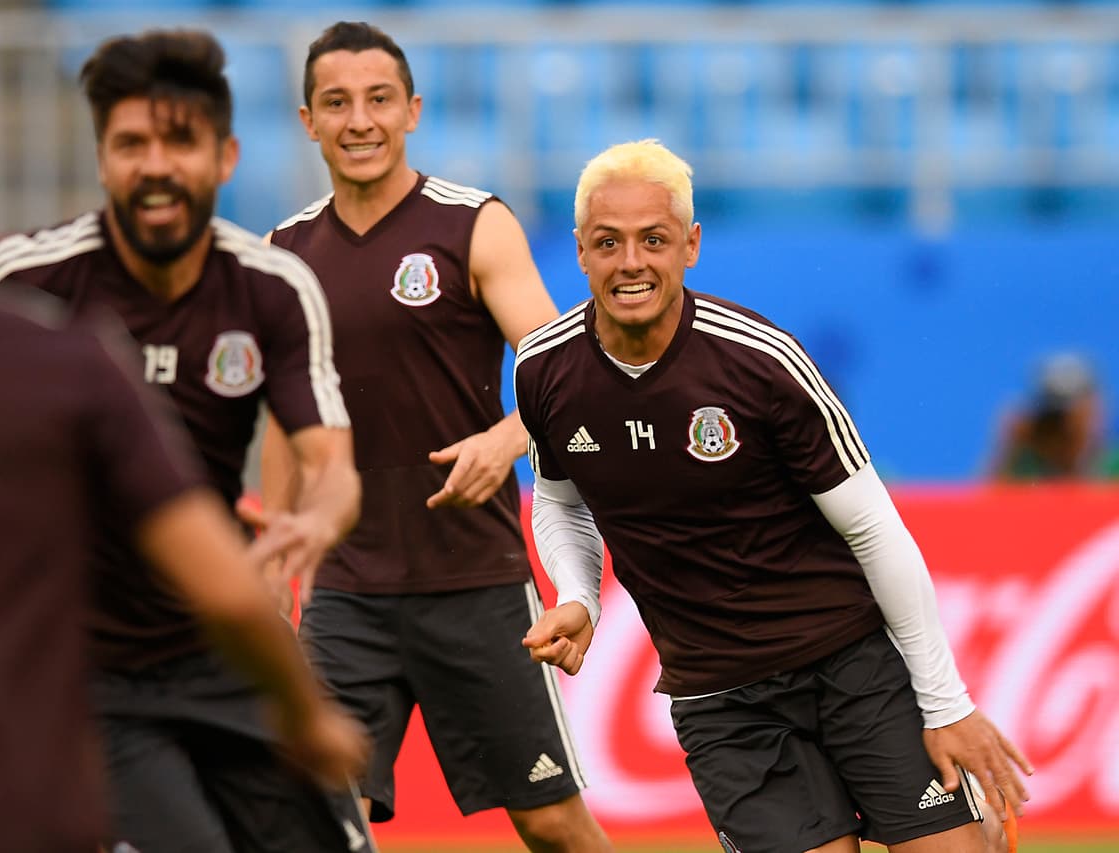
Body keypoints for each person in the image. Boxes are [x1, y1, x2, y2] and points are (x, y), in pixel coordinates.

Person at [0, 43, 364, 853]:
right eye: (131, 145)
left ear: (225, 156)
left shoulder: (272, 286)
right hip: (88, 675)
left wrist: (319, 521)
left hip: (218, 658)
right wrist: (311, 714)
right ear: (98, 160)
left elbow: (332, 463)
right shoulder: (29, 300)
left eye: (179, 142)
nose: (156, 167)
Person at [515, 139, 1034, 853]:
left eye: (653, 240)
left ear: (690, 245)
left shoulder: (762, 361)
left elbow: (876, 530)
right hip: (722, 703)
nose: (631, 262)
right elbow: (561, 500)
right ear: (579, 251)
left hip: (852, 667)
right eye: (609, 242)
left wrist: (946, 705)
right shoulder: (543, 368)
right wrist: (579, 594)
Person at [263, 21, 612, 853]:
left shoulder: (474, 225)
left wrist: (507, 437)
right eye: (336, 103)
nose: (360, 120)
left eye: (379, 99)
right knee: (311, 820)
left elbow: (564, 376)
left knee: (551, 823)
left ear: (411, 110)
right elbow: (285, 416)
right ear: (308, 121)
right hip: (346, 593)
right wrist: (277, 561)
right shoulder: (281, 256)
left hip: (475, 583)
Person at [989, 351, 1107, 481]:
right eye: (1053, 417)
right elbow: (990, 496)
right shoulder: (1027, 469)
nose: (1062, 426)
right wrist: (1011, 449)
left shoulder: (1111, 463)